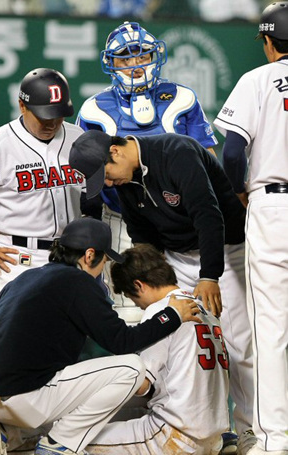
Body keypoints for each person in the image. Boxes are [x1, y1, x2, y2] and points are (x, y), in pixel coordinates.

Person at [0, 218, 201, 455]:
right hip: (23, 399)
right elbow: (123, 342)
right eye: (104, 259)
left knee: (18, 447)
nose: (102, 267)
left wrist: (10, 364)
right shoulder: (79, 283)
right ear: (89, 255)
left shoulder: (25, 279)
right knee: (131, 368)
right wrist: (171, 315)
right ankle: (60, 444)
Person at [69, 129, 256, 453]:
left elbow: (209, 216)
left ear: (116, 151)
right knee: (182, 337)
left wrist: (210, 275)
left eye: (107, 174)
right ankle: (216, 429)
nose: (109, 183)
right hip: (178, 256)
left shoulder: (175, 152)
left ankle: (251, 430)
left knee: (238, 344)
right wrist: (145, 277)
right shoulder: (127, 184)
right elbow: (142, 235)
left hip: (225, 248)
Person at [76, 21, 218, 324]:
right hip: (123, 221)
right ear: (111, 63)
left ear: (155, 56)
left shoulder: (182, 98)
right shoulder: (94, 109)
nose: (135, 66)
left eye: (141, 56)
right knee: (131, 310)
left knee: (196, 307)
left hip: (180, 220)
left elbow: (208, 159)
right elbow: (84, 175)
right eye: (126, 58)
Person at [214, 3, 288, 454]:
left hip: (273, 207)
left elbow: (232, 153)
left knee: (271, 330)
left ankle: (273, 441)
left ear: (267, 42)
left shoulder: (258, 80)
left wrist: (241, 189)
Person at [0, 68, 85, 300]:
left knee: (69, 335)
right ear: (23, 106)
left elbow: (93, 195)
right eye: (44, 115)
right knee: (24, 334)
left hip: (74, 255)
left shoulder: (78, 137)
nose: (52, 122)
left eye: (58, 114)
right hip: (21, 259)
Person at [87, 243, 230, 454]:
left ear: (139, 285)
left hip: (172, 436)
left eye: (131, 296)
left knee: (72, 441)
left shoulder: (163, 310)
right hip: (211, 437)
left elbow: (142, 386)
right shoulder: (202, 306)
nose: (137, 305)